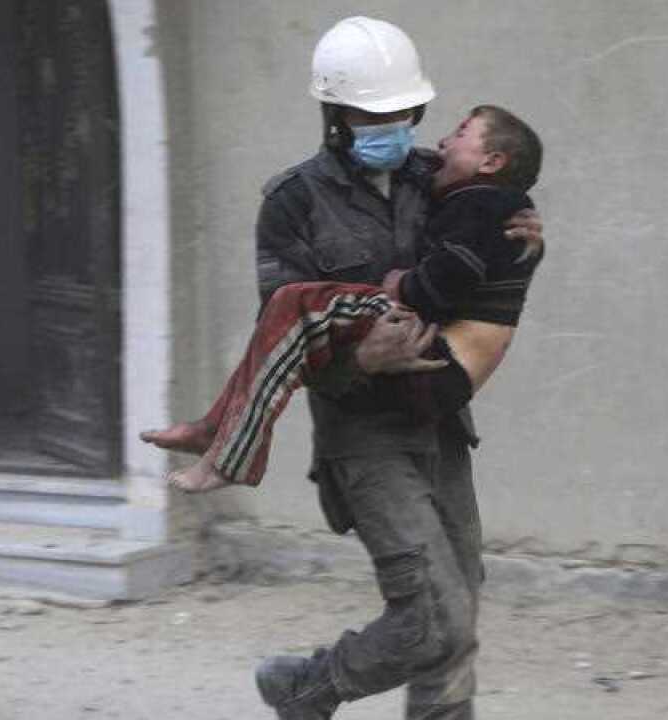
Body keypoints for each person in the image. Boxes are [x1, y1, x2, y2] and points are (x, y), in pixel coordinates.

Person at [141, 17, 542, 720]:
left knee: (460, 607)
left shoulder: (439, 180)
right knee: (431, 610)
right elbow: (284, 333)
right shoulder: (292, 202)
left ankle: (313, 693)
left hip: (442, 422)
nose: (395, 126)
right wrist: (360, 357)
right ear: (335, 115)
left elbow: (492, 233)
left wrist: (524, 230)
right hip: (362, 434)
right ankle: (308, 688)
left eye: (404, 113)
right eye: (372, 115)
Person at [157, 104, 542, 495]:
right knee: (286, 312)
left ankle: (228, 447)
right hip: (400, 390)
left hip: (430, 367)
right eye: (369, 114)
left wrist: (403, 285)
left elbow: (453, 274)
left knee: (292, 306)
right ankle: (221, 434)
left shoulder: (466, 194)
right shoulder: (299, 197)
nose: (442, 140)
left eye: (460, 133)